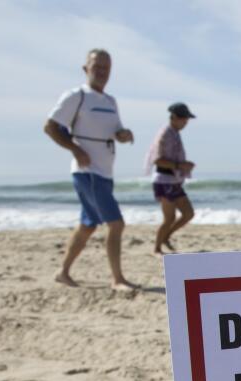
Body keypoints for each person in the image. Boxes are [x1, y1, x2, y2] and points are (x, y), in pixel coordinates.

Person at [43, 48, 137, 291]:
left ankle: (63, 272)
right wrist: (75, 149)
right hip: (88, 172)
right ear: (86, 69)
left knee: (88, 225)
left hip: (105, 172)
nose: (103, 72)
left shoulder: (110, 101)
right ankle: (117, 279)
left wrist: (124, 135)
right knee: (116, 224)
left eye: (107, 68)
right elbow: (50, 127)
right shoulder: (77, 96)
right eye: (97, 67)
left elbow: (115, 131)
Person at [146, 102, 197, 254]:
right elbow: (158, 160)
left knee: (188, 213)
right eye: (184, 120)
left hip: (173, 181)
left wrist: (182, 165)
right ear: (175, 117)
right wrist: (180, 165)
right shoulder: (165, 134)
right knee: (169, 218)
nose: (186, 123)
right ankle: (157, 247)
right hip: (164, 180)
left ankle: (166, 236)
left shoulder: (174, 133)